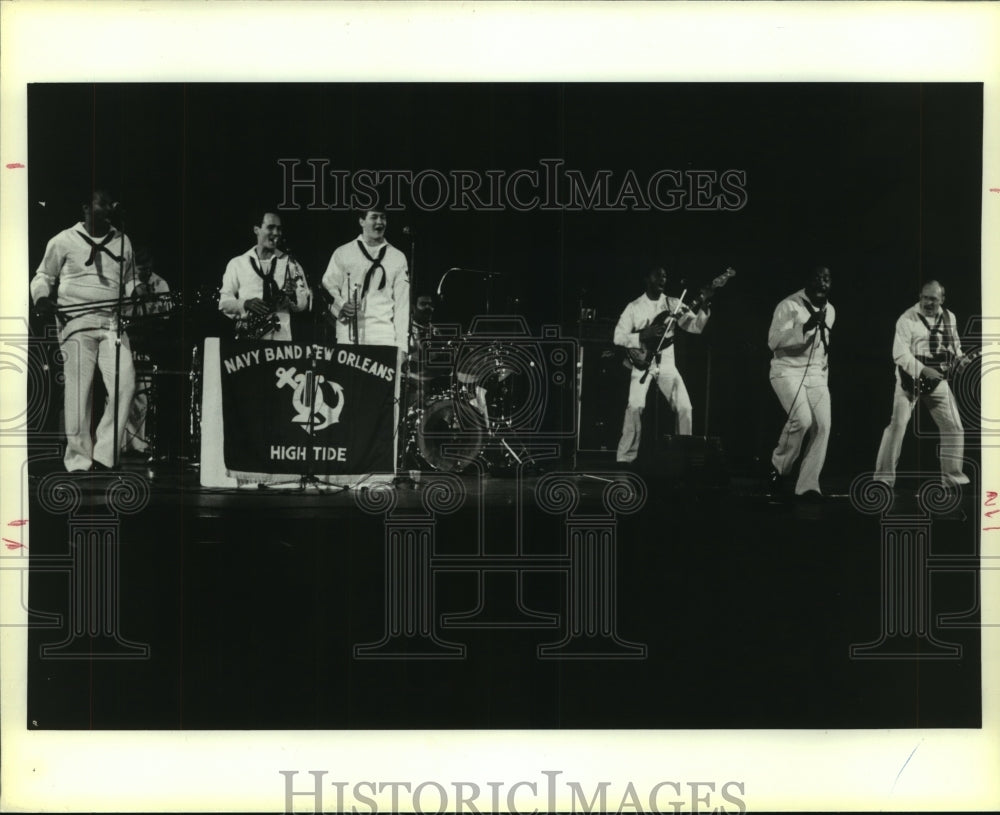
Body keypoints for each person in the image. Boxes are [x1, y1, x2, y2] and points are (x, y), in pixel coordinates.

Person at [30, 190, 136, 472]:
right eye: (103, 202)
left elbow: (129, 282)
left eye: (110, 203)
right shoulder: (63, 240)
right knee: (79, 391)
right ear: (86, 208)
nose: (110, 207)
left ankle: (104, 454)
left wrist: (133, 297)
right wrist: (42, 298)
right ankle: (78, 459)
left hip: (112, 324)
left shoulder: (123, 241)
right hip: (75, 323)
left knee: (126, 384)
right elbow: (43, 276)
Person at [874, 280, 969, 489]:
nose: (928, 302)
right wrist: (923, 370)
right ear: (920, 296)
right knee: (897, 426)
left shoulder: (949, 317)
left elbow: (954, 344)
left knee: (954, 426)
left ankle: (952, 480)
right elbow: (899, 354)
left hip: (936, 380)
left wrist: (960, 358)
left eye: (933, 299)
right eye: (925, 297)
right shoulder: (906, 319)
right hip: (910, 380)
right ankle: (883, 479)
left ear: (942, 299)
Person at [614, 266, 710, 464]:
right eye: (657, 275)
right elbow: (618, 337)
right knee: (635, 407)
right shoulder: (634, 306)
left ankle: (685, 456)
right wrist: (643, 335)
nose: (662, 278)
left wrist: (705, 301)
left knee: (685, 407)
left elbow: (695, 327)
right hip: (642, 361)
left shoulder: (673, 303)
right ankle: (625, 459)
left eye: (665, 275)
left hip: (666, 362)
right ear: (646, 278)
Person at [766, 266, 835, 499]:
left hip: (816, 374)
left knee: (823, 426)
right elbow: (773, 341)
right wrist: (804, 327)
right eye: (817, 278)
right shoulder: (789, 305)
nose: (822, 283)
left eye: (826, 279)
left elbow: (824, 347)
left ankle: (807, 485)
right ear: (808, 282)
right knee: (803, 419)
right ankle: (779, 467)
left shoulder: (831, 310)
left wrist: (823, 376)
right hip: (787, 371)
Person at [321, 206, 410, 357]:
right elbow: (328, 284)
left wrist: (402, 346)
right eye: (374, 217)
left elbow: (402, 305)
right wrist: (341, 305)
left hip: (384, 336)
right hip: (348, 335)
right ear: (361, 221)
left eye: (383, 217)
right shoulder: (343, 252)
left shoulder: (397, 257)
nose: (380, 222)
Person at [218, 210, 310, 342]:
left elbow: (303, 305)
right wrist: (245, 304)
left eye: (279, 229)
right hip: (248, 339)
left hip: (281, 341)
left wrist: (293, 296)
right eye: (271, 227)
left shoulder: (290, 263)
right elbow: (224, 304)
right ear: (257, 229)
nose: (276, 233)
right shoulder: (237, 263)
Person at [122, 248, 172, 456]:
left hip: (148, 341)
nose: (145, 272)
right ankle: (121, 442)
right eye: (141, 269)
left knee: (143, 393)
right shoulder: (125, 283)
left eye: (148, 268)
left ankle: (139, 442)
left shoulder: (161, 284)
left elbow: (167, 313)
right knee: (123, 391)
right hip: (126, 339)